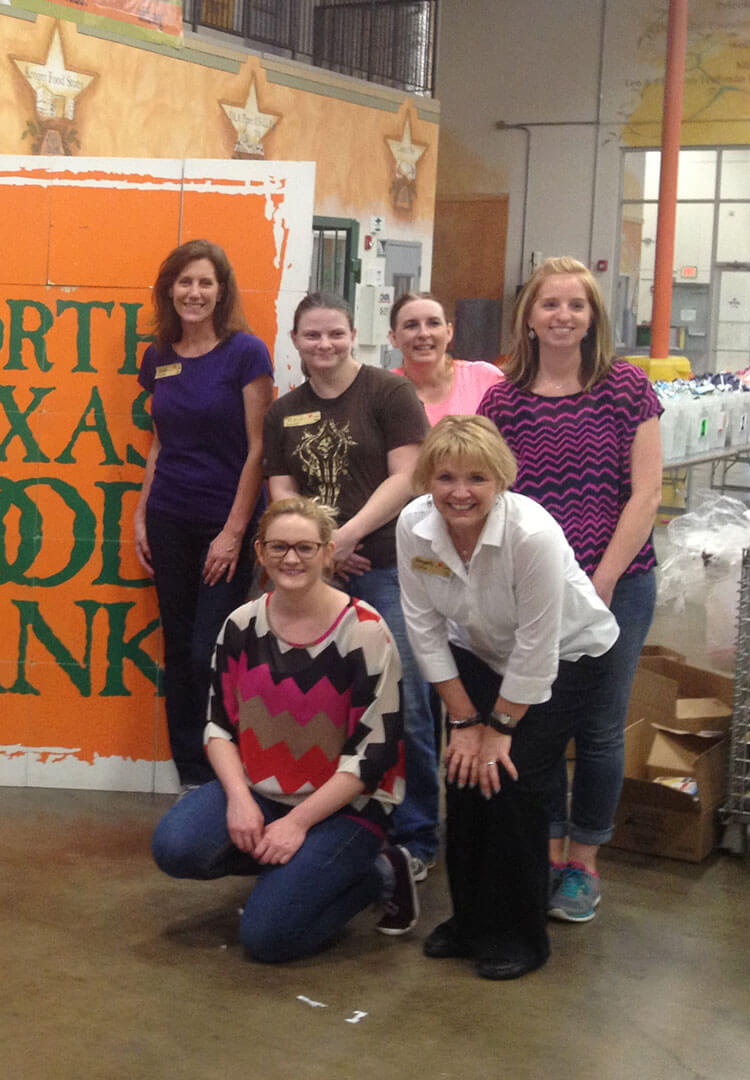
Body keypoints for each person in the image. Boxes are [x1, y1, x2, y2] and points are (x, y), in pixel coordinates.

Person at [397, 416, 617, 980]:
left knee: (512, 779)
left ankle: (520, 935)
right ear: (427, 480)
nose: (460, 492)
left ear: (501, 481)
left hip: (569, 656)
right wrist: (465, 720)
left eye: (477, 478)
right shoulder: (413, 527)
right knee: (465, 774)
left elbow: (538, 646)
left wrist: (498, 728)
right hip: (476, 649)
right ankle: (469, 921)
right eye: (445, 477)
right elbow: (422, 628)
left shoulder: (532, 534)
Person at [150, 497, 416, 962]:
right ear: (260, 552)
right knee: (175, 847)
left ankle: (379, 874)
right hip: (261, 791)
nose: (290, 559)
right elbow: (217, 726)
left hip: (345, 807)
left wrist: (297, 822)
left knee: (268, 940)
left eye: (305, 548)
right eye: (278, 547)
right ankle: (296, 872)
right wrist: (237, 799)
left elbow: (372, 757)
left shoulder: (367, 633)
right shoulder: (241, 624)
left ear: (329, 552)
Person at [479, 257, 662, 923]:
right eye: (549, 304)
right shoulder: (502, 398)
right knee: (539, 720)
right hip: (535, 586)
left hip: (620, 579)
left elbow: (647, 493)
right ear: (528, 316)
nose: (562, 316)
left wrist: (605, 576)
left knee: (600, 725)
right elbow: (490, 491)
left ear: (593, 318)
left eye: (575, 306)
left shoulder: (627, 389)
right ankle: (550, 849)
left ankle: (585, 861)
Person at [263, 293, 436, 881]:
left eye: (335, 334)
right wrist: (318, 555)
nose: (324, 346)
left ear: (353, 334)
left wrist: (343, 538)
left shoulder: (389, 393)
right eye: (312, 336)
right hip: (315, 576)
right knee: (322, 705)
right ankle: (335, 819)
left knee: (404, 705)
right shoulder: (284, 410)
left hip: (385, 568)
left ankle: (417, 836)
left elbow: (409, 476)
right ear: (296, 341)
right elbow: (283, 497)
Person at [131, 239, 273, 788]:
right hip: (169, 517)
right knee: (177, 647)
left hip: (225, 522)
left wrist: (235, 534)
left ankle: (227, 775)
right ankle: (192, 778)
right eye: (185, 282)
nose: (194, 292)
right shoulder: (158, 356)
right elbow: (158, 444)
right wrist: (142, 516)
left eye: (205, 283)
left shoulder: (246, 353)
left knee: (207, 651)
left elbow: (258, 449)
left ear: (221, 291)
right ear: (170, 289)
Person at [389, 292, 502, 426]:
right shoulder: (384, 390)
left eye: (433, 323)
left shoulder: (485, 379)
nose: (424, 333)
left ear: (449, 332)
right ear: (394, 338)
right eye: (411, 325)